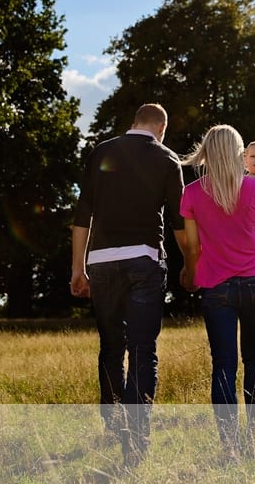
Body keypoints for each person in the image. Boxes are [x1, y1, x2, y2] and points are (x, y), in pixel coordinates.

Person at [71, 103, 186, 467]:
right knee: (142, 350)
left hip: (101, 262)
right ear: (161, 129)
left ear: (134, 121)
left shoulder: (101, 151)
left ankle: (113, 421)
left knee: (110, 345)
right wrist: (192, 263)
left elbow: (83, 213)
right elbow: (179, 222)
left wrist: (77, 268)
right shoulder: (167, 159)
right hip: (144, 260)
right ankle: (135, 439)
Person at [180, 125, 255, 459]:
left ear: (206, 152)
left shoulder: (192, 192)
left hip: (215, 286)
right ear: (239, 153)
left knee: (223, 363)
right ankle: (254, 437)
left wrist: (190, 272)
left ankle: (229, 444)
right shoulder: (254, 187)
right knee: (254, 357)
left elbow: (193, 246)